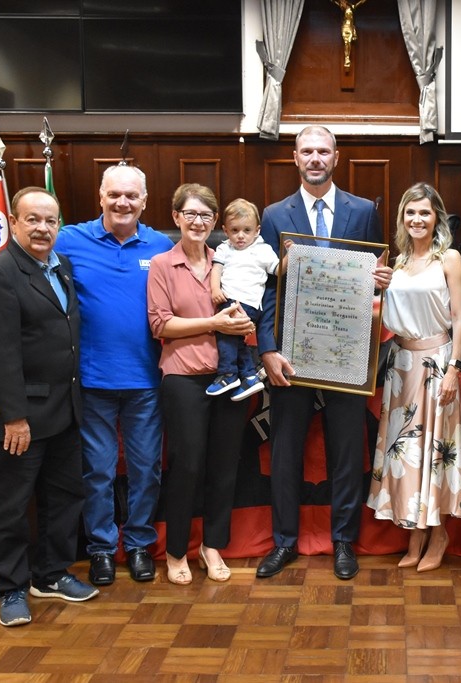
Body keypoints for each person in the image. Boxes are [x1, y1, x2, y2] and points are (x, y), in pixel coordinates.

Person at [0, 164, 173, 588]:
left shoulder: (161, 244)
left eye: (131, 195)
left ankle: (136, 545)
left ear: (145, 201)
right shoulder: (70, 240)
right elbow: (19, 269)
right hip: (88, 385)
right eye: (114, 194)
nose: (122, 202)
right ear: (100, 196)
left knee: (146, 470)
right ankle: (99, 549)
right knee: (95, 473)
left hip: (146, 382)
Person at [254, 125, 393, 581]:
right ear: (295, 158)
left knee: (347, 451)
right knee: (287, 450)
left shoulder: (363, 210)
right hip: (292, 353)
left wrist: (379, 283)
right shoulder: (274, 215)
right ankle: (284, 543)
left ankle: (343, 542)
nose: (315, 158)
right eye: (307, 151)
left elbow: (372, 277)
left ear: (337, 156)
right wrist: (268, 349)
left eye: (323, 151)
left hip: (348, 352)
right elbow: (267, 290)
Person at [0, 187, 98, 627]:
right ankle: (10, 589)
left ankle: (51, 574)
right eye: (33, 220)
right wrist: (15, 416)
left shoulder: (59, 268)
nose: (43, 228)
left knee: (65, 498)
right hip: (20, 419)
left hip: (65, 411)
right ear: (16, 223)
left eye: (51, 220)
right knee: (10, 504)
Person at [147, 183, 257, 585]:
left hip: (229, 381)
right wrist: (214, 323)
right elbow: (160, 324)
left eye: (206, 215)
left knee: (225, 466)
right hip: (183, 379)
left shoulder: (226, 259)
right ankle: (177, 550)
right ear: (176, 217)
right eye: (190, 214)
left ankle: (212, 546)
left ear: (216, 222)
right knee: (187, 465)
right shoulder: (161, 264)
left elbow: (250, 307)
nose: (198, 222)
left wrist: (246, 322)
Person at [366, 182, 461, 572]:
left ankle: (438, 532)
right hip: (401, 367)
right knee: (406, 454)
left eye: (424, 212)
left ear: (436, 217)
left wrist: (454, 370)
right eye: (410, 212)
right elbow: (383, 317)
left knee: (434, 450)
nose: (417, 219)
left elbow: (459, 318)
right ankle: (414, 534)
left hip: (437, 364)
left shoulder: (450, 259)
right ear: (402, 219)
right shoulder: (394, 265)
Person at [205, 198, 277, 401]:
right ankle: (250, 376)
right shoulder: (224, 249)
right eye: (234, 230)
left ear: (257, 230)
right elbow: (216, 270)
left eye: (247, 230)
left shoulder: (263, 250)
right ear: (225, 230)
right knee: (235, 339)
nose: (240, 236)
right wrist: (214, 289)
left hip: (248, 303)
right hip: (227, 298)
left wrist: (289, 256)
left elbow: (279, 270)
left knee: (225, 333)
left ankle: (228, 374)